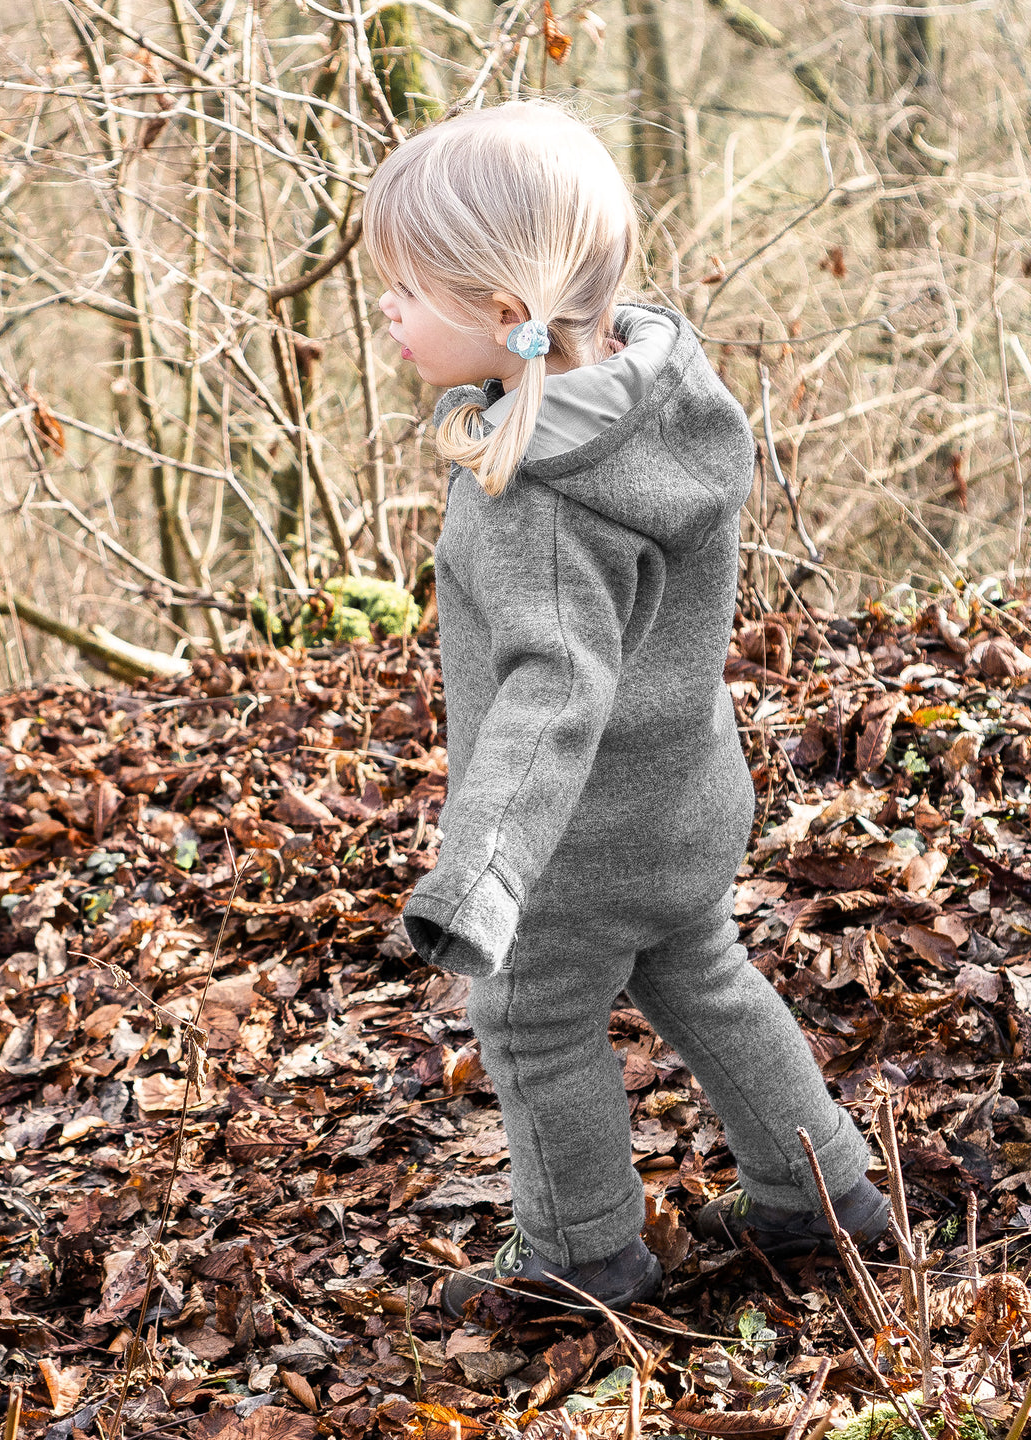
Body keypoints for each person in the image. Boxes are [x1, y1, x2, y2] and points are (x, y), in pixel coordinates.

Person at [361, 96, 890, 1320]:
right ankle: (825, 1197)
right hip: (690, 794)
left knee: (534, 1022)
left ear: (506, 310)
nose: (386, 309)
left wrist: (482, 873)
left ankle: (583, 1256)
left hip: (578, 837)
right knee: (702, 972)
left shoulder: (536, 501)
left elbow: (553, 692)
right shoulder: (665, 394)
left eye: (407, 289)